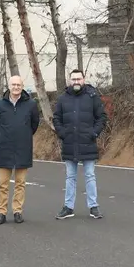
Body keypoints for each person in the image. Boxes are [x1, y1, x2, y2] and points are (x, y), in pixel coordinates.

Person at [52, 69, 108, 220]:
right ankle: (68, 207)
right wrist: (62, 133)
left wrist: (94, 133)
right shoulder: (63, 98)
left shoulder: (92, 96)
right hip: (69, 142)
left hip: (88, 142)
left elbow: (102, 117)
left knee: (90, 175)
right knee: (70, 177)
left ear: (84, 80)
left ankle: (93, 207)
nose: (76, 82)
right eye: (73, 79)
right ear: (69, 81)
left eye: (79, 79)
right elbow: (56, 118)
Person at [0, 75, 40, 224]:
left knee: (20, 183)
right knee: (3, 183)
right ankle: (1, 212)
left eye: (18, 84)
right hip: (4, 148)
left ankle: (17, 211)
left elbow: (34, 124)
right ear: (8, 86)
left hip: (23, 148)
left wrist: (24, 135)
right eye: (13, 84)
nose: (16, 87)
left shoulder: (30, 104)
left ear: (22, 86)